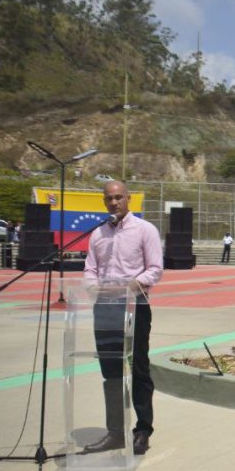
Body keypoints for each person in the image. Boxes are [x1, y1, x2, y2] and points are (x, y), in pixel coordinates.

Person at [83, 180, 163, 456]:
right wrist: (95, 288)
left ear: (128, 198)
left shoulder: (145, 230)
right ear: (104, 201)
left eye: (118, 197)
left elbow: (154, 269)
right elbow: (90, 270)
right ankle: (116, 431)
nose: (114, 202)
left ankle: (142, 430)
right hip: (105, 308)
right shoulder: (98, 233)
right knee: (111, 371)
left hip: (135, 306)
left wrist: (126, 287)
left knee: (138, 367)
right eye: (109, 199)